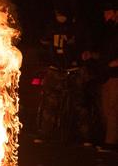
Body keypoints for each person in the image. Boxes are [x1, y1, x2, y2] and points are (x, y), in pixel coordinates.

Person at [37, 9, 88, 142]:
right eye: (58, 13)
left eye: (62, 13)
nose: (59, 16)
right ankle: (46, 133)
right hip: (55, 69)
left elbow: (84, 45)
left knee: (78, 104)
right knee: (51, 104)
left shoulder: (77, 28)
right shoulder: (51, 27)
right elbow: (44, 44)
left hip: (73, 70)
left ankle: (84, 136)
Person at [83, 2, 118, 151]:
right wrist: (92, 55)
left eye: (108, 12)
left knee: (112, 108)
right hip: (104, 74)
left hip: (115, 75)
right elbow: (105, 53)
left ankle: (111, 143)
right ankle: (107, 139)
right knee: (104, 109)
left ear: (116, 12)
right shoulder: (109, 30)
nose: (105, 16)